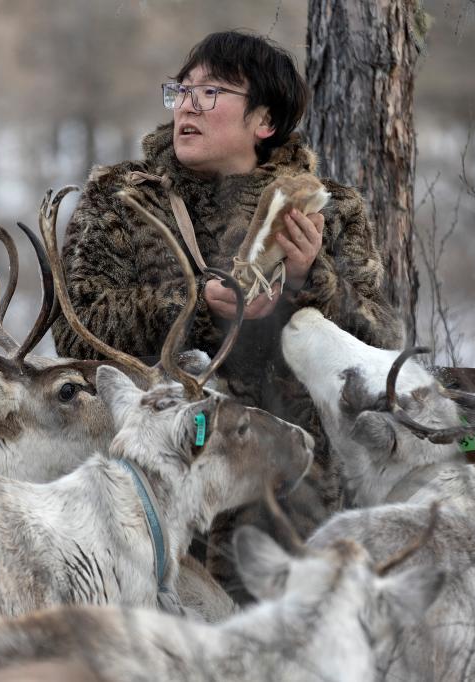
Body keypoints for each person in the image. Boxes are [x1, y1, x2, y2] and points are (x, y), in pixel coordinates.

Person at [52, 29, 403, 596]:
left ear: (264, 121)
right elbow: (72, 332)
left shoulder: (326, 210)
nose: (187, 105)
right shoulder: (123, 199)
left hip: (288, 486)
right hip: (151, 485)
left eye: (211, 93)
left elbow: (381, 340)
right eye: (181, 91)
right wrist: (192, 310)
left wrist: (307, 284)